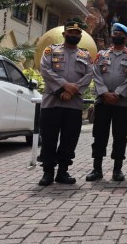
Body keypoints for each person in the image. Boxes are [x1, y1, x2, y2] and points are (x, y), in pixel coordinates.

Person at [38, 18, 94, 186]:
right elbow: (45, 70)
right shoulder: (50, 51)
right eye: (71, 32)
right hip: (52, 103)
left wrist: (73, 90)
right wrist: (64, 87)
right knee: (49, 139)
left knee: (69, 140)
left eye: (77, 33)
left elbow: (89, 75)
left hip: (73, 105)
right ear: (64, 34)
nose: (74, 35)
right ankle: (48, 172)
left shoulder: (85, 55)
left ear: (80, 35)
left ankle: (63, 172)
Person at [86, 23, 127, 182]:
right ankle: (97, 169)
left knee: (120, 136)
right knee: (100, 135)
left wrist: (118, 93)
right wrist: (104, 93)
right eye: (114, 33)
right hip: (103, 102)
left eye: (120, 34)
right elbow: (95, 73)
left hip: (121, 104)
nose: (116, 36)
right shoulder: (102, 55)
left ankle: (117, 170)